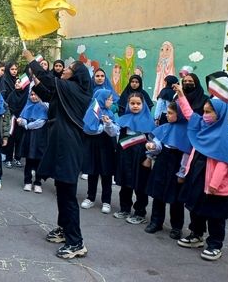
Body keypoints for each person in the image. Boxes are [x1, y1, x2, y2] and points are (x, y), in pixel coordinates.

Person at [25, 50, 91, 260]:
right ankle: (64, 230)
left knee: (68, 194)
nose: (64, 70)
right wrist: (32, 76)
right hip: (60, 145)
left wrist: (31, 60)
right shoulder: (67, 91)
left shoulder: (76, 90)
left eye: (69, 69)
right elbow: (47, 92)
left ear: (76, 75)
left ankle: (76, 242)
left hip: (69, 148)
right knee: (61, 190)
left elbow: (49, 80)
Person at [174, 83, 228, 261]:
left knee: (215, 216)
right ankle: (196, 235)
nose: (205, 115)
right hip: (197, 178)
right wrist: (181, 95)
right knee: (196, 209)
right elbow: (189, 114)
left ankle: (215, 244)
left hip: (216, 185)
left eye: (209, 112)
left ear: (220, 114)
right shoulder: (203, 128)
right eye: (205, 111)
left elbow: (224, 163)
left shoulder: (226, 135)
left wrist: (214, 185)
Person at [144, 101, 191, 239]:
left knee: (176, 199)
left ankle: (176, 227)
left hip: (176, 166)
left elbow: (186, 154)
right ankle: (156, 222)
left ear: (180, 114)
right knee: (158, 194)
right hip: (162, 163)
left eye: (170, 113)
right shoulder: (165, 127)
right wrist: (152, 146)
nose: (167, 115)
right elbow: (159, 144)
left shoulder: (186, 131)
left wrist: (182, 173)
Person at [114, 92, 155, 224]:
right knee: (125, 183)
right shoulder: (124, 119)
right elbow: (120, 138)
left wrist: (148, 158)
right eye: (132, 103)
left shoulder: (149, 122)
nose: (135, 106)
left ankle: (140, 212)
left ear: (143, 105)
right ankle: (125, 208)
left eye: (138, 103)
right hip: (126, 156)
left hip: (141, 158)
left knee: (140, 186)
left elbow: (152, 142)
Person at [81, 89, 119, 214]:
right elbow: (87, 129)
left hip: (107, 147)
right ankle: (90, 197)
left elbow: (114, 131)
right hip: (93, 146)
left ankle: (106, 201)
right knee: (93, 172)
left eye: (111, 99)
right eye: (108, 99)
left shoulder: (110, 114)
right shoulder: (92, 111)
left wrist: (107, 124)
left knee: (106, 174)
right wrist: (101, 126)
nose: (111, 101)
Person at [17, 89, 48, 193]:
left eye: (36, 95)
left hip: (40, 137)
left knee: (39, 160)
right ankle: (27, 181)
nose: (34, 97)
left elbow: (42, 121)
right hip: (29, 137)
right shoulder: (28, 105)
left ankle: (38, 182)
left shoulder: (43, 107)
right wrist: (22, 122)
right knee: (29, 160)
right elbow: (22, 117)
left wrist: (28, 125)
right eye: (32, 94)